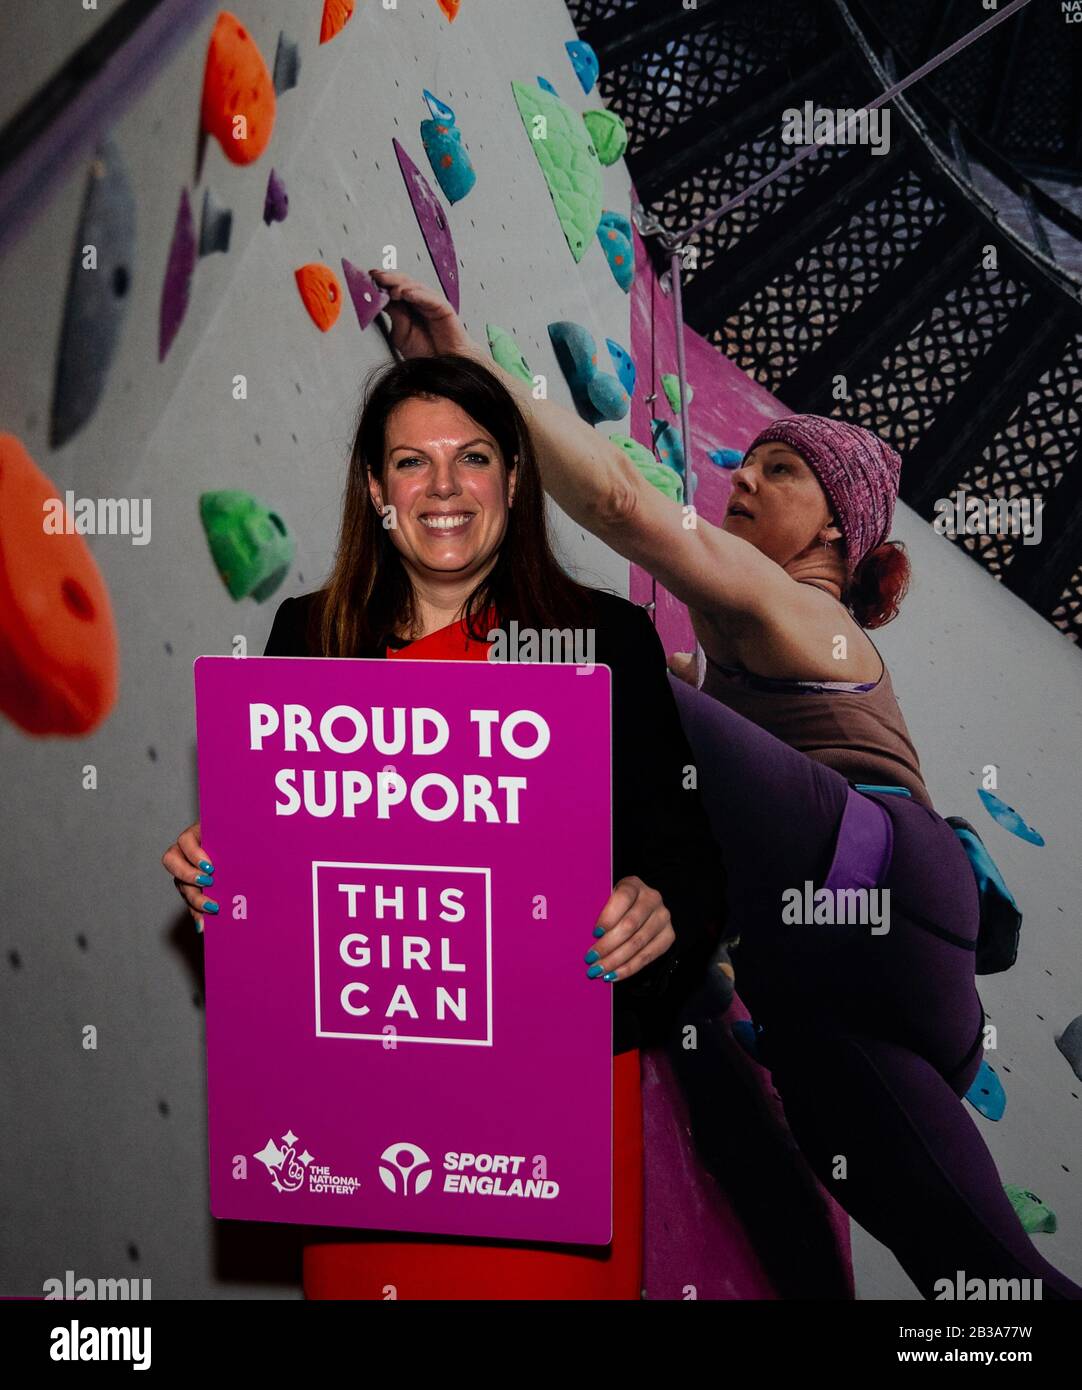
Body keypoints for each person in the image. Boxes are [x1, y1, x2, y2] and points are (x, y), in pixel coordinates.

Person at [371, 270, 1082, 1300]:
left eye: (780, 470)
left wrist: (463, 372)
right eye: (746, 461)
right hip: (853, 994)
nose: (743, 482)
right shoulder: (741, 642)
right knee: (981, 1277)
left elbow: (621, 505)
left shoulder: (806, 611)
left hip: (875, 887)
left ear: (835, 536)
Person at [162, 348, 726, 1299]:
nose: (443, 486)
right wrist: (220, 882)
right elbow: (282, 897)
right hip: (359, 1125)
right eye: (411, 462)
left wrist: (658, 911)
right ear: (376, 488)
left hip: (551, 1126)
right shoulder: (310, 638)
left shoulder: (606, 643)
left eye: (471, 456)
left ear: (512, 473)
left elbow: (696, 870)